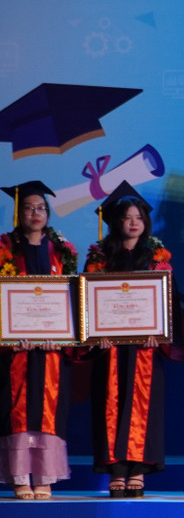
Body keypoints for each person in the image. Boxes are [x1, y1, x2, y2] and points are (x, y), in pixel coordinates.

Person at [81, 182, 173, 498]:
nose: (133, 223)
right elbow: (87, 303)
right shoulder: (99, 257)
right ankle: (116, 470)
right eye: (126, 217)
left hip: (145, 347)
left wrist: (159, 332)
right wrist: (96, 334)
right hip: (110, 349)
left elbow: (169, 302)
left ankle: (138, 470)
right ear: (116, 221)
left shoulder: (157, 257)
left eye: (138, 217)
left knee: (143, 405)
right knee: (111, 404)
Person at [0, 182, 79, 500]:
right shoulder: (5, 249)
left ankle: (44, 476)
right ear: (19, 212)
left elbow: (73, 299)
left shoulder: (62, 250)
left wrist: (61, 336)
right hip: (15, 352)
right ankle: (20, 477)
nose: (36, 213)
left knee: (48, 407)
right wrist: (8, 336)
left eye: (42, 208)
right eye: (30, 207)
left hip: (51, 351)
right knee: (17, 408)